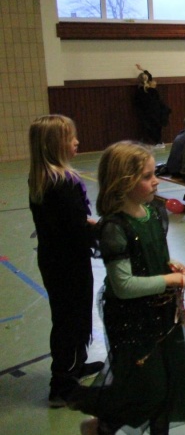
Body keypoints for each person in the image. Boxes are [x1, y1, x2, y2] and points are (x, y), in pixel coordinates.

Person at [73, 141, 185, 435]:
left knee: (167, 389)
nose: (156, 181)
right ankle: (101, 427)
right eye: (147, 176)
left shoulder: (155, 214)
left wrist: (177, 269)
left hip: (162, 314)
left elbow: (155, 256)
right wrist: (171, 281)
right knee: (148, 390)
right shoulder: (114, 228)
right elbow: (123, 285)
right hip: (131, 319)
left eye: (153, 173)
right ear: (123, 183)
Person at [28, 115, 103, 407]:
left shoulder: (47, 178)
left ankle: (76, 365)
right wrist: (106, 231)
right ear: (55, 145)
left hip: (58, 258)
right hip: (67, 262)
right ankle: (62, 384)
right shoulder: (59, 183)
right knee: (70, 320)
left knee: (74, 315)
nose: (77, 142)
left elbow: (71, 220)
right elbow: (75, 228)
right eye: (71, 138)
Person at [134, 65, 171, 149]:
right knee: (156, 127)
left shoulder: (140, 91)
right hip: (156, 111)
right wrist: (142, 69)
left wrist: (142, 70)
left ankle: (158, 142)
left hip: (149, 113)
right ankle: (158, 142)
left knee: (151, 128)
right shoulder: (152, 90)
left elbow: (137, 103)